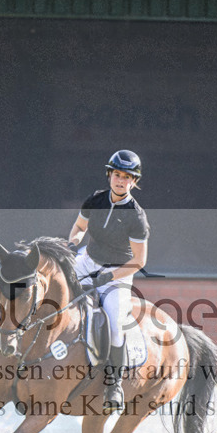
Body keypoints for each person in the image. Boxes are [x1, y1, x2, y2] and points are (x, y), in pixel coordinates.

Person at [67, 150, 149, 414]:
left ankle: (114, 383)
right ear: (109, 175)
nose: (120, 181)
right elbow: (79, 227)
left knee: (115, 322)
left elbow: (139, 261)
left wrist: (108, 277)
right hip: (88, 260)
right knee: (55, 290)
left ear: (134, 182)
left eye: (127, 177)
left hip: (119, 271)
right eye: (117, 175)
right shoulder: (96, 199)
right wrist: (72, 242)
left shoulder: (137, 217)